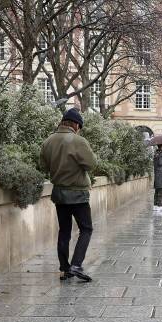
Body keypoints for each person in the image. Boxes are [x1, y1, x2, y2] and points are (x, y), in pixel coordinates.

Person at [40, 108, 96, 282]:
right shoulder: (78, 141)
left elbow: (43, 165)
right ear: (76, 125)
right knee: (86, 229)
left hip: (59, 194)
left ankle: (65, 269)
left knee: (64, 231)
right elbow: (91, 164)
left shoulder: (48, 141)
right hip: (78, 193)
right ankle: (76, 265)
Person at [153, 144, 162, 215]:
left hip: (157, 174)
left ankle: (155, 205)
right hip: (161, 174)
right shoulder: (161, 154)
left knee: (157, 191)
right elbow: (161, 162)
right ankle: (160, 206)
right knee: (161, 191)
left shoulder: (156, 153)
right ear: (161, 146)